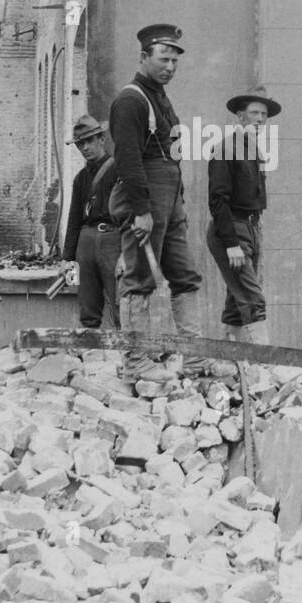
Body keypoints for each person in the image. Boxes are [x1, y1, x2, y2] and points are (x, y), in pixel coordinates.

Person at [108, 23, 202, 384]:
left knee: (185, 275)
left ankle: (195, 358)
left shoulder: (160, 97)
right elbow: (128, 160)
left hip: (169, 199)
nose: (170, 67)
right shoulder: (131, 100)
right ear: (143, 56)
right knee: (138, 279)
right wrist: (142, 211)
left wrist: (175, 203)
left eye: (175, 61)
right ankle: (135, 360)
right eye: (163, 59)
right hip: (145, 199)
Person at [206, 85, 280, 345]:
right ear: (240, 116)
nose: (260, 119)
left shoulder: (254, 149)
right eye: (254, 113)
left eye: (264, 115)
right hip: (231, 229)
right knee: (252, 298)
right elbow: (217, 201)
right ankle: (263, 367)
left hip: (250, 228)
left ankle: (230, 361)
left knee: (236, 301)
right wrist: (232, 244)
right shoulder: (226, 148)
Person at [62, 114, 121, 330]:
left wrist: (127, 251)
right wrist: (67, 258)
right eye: (80, 144)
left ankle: (130, 356)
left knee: (120, 301)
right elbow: (74, 218)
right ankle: (91, 353)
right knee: (87, 302)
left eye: (89, 141)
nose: (85, 148)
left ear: (101, 139)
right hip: (85, 242)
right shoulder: (81, 178)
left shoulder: (119, 169)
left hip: (113, 239)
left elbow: (131, 212)